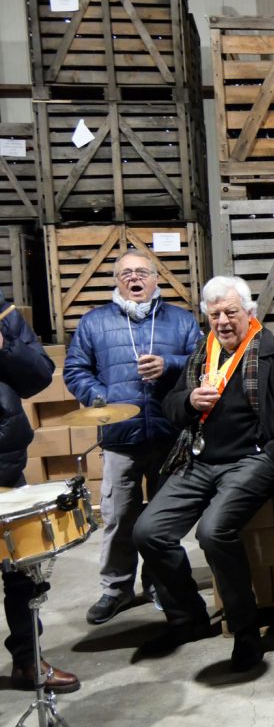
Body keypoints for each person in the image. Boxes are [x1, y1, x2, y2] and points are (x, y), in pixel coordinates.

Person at [133, 276, 274, 672]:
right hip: (198, 460)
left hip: (251, 460)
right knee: (148, 531)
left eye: (231, 312)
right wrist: (188, 402)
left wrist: (271, 457)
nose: (223, 321)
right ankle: (188, 618)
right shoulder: (202, 354)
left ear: (250, 313)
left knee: (213, 532)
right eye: (214, 315)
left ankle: (246, 631)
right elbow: (171, 406)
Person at [64, 251, 202, 625]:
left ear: (156, 279)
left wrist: (169, 365)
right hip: (119, 437)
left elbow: (202, 361)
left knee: (161, 519)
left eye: (142, 272)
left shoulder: (181, 320)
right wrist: (103, 398)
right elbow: (75, 369)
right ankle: (116, 588)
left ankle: (159, 583)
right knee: (119, 515)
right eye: (126, 273)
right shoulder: (94, 322)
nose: (134, 278)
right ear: (116, 281)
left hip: (168, 434)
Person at [0, 292, 79, 692]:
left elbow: (39, 374)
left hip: (5, 466)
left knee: (21, 573)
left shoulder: (1, 310)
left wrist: (4, 345)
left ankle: (28, 661)